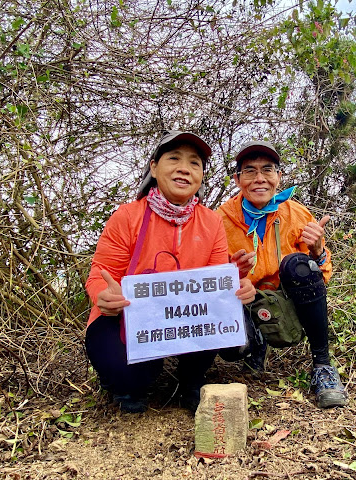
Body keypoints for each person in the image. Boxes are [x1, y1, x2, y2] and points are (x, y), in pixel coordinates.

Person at [85, 131, 256, 413]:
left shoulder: (211, 222)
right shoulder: (127, 216)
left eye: (194, 163)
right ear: (154, 167)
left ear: (201, 176)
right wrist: (104, 296)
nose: (184, 169)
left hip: (182, 317)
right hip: (126, 317)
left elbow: (214, 287)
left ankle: (191, 379)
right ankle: (129, 381)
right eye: (174, 159)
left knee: (223, 319)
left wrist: (237, 286)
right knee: (131, 376)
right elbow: (99, 274)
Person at [217, 141, 348, 409]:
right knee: (233, 349)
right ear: (237, 179)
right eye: (250, 171)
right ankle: (254, 346)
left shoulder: (296, 213)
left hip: (287, 302)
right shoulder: (219, 219)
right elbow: (209, 276)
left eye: (268, 169)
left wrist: (318, 250)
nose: (260, 179)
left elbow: (320, 277)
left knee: (298, 263)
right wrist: (233, 276)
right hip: (244, 302)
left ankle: (323, 365)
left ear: (279, 176)